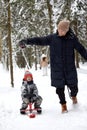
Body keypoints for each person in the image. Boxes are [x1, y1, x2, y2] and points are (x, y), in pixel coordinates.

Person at [19, 19, 87, 113]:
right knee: (59, 89)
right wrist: (26, 41)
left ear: (67, 30)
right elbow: (39, 40)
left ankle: (74, 96)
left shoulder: (72, 39)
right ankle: (63, 105)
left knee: (74, 87)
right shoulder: (52, 38)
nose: (60, 31)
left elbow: (81, 49)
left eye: (63, 30)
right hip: (57, 69)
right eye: (59, 29)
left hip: (69, 69)